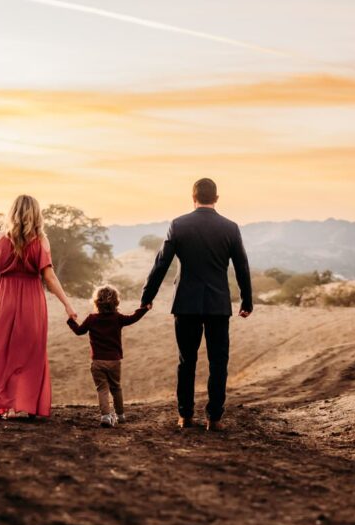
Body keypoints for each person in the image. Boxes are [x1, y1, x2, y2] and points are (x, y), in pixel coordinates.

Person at [140, 177, 252, 431]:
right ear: (216, 198)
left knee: (186, 361)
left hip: (186, 304)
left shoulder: (178, 225)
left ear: (193, 197)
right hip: (218, 304)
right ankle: (214, 418)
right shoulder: (230, 228)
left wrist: (147, 298)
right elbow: (242, 267)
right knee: (218, 362)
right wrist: (247, 301)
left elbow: (161, 264)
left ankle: (185, 416)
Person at [0, 194, 76, 420]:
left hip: (4, 300)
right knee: (29, 352)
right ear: (36, 214)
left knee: (0, 352)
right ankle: (25, 404)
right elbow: (49, 278)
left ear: (12, 212)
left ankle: (5, 404)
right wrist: (67, 305)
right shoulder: (41, 240)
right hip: (32, 301)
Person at [67, 285, 150, 427]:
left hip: (98, 361)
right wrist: (144, 309)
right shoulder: (117, 318)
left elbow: (79, 331)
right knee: (116, 387)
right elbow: (133, 318)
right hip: (114, 361)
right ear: (116, 302)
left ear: (96, 302)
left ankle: (105, 416)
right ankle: (120, 415)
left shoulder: (92, 319)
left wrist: (71, 321)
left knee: (102, 389)